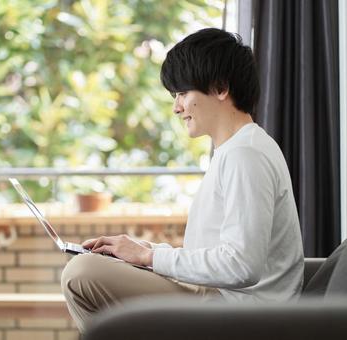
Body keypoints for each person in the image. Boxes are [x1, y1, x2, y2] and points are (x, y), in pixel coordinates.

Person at [60, 28, 304, 333]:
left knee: (81, 273)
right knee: (86, 271)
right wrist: (144, 251)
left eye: (183, 94)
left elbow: (242, 265)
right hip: (219, 297)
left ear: (220, 88)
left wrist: (150, 256)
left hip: (237, 311)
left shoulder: (246, 155)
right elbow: (222, 252)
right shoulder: (237, 150)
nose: (177, 107)